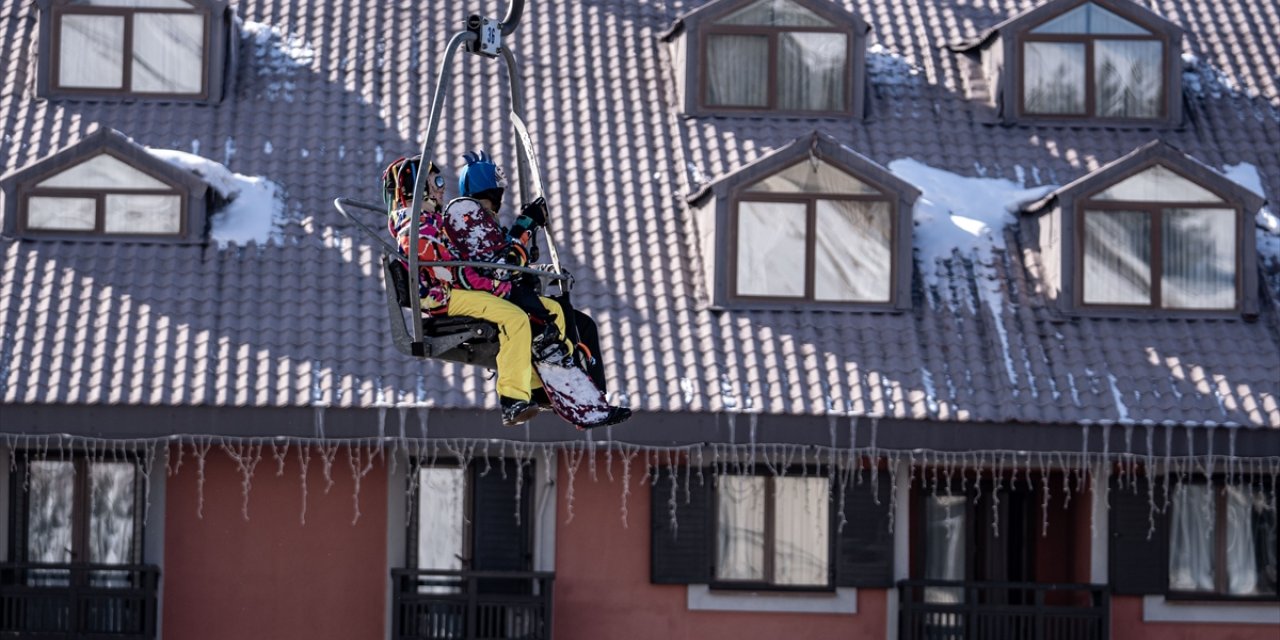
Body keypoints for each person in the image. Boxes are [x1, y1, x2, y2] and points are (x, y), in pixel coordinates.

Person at [383, 156, 566, 427]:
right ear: (419, 188)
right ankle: (513, 398)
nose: (443, 189)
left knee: (553, 310)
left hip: (456, 289)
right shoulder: (416, 229)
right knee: (514, 318)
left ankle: (540, 386)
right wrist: (494, 285)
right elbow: (449, 271)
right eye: (437, 182)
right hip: (444, 297)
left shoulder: (431, 222)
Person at [445, 150, 573, 365]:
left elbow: (505, 258)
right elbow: (504, 266)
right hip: (484, 291)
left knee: (568, 315)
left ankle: (565, 358)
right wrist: (526, 226)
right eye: (491, 202)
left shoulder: (480, 225)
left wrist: (544, 272)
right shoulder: (467, 221)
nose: (493, 211)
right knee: (524, 298)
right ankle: (545, 340)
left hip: (492, 287)